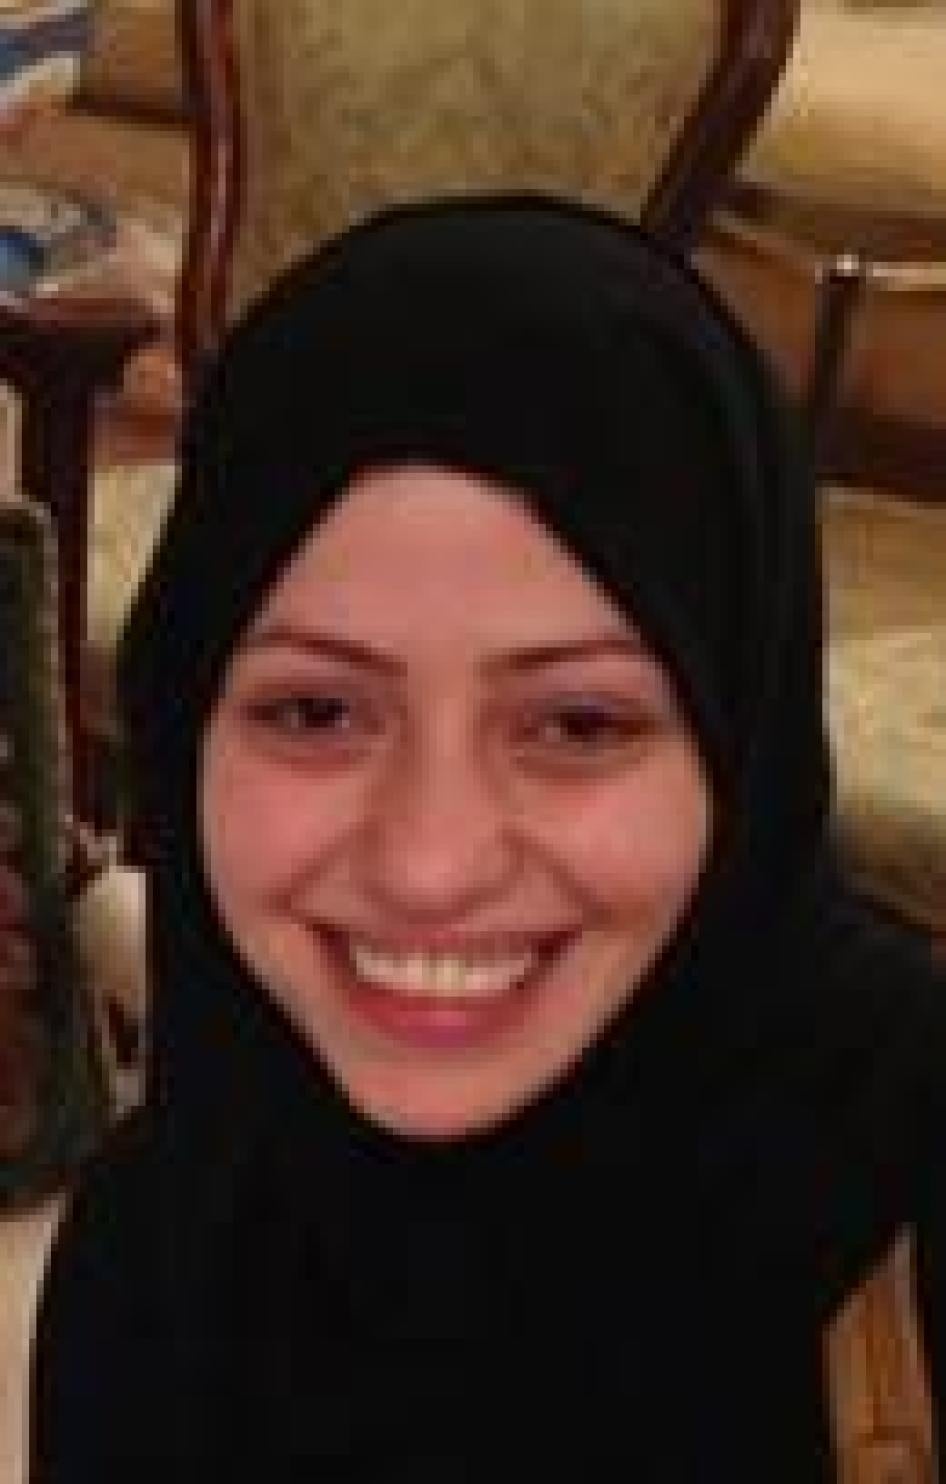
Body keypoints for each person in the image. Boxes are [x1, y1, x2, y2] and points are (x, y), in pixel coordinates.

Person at [24, 195, 946, 1479]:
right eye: (315, 711)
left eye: (577, 723)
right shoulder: (164, 1254)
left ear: (741, 736)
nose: (430, 863)